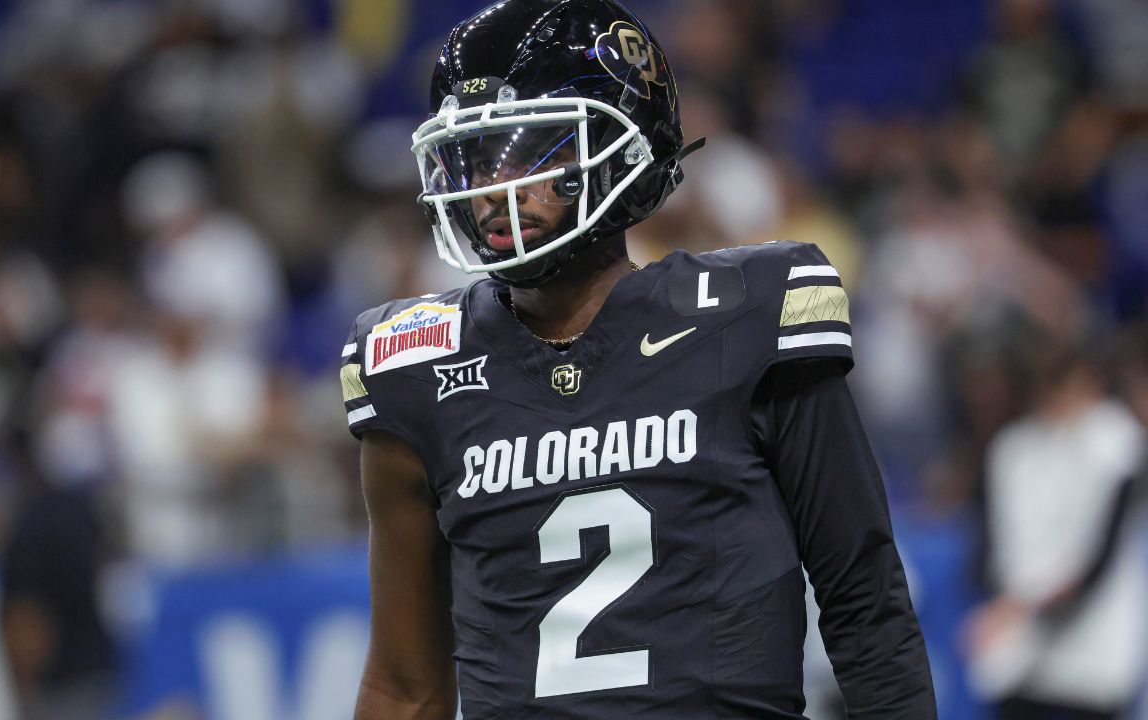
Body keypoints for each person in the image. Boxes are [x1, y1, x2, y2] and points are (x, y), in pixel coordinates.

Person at [340, 1, 936, 717]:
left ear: (628, 147)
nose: (496, 188)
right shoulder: (414, 365)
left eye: (535, 150)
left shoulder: (746, 317)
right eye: (475, 156)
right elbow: (405, 687)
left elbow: (864, 604)